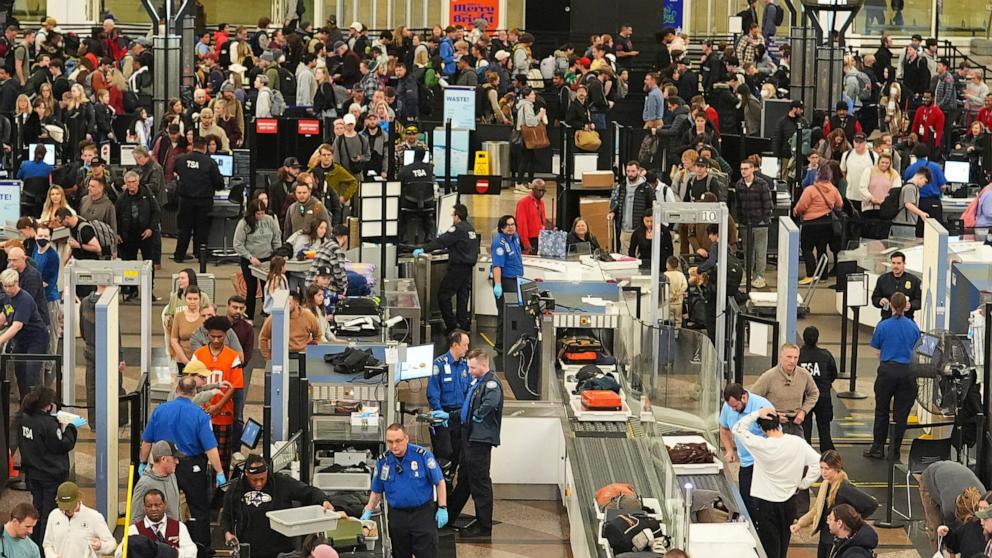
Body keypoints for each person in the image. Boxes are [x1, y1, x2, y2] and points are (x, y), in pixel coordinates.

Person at [139, 376, 226, 551]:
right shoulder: (200, 415)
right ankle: (201, 549)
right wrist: (220, 472)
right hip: (191, 467)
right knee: (199, 510)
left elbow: (147, 442)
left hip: (163, 465)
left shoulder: (160, 410)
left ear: (177, 390)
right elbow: (210, 448)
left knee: (161, 507)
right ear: (194, 393)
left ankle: (162, 547)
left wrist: (143, 463)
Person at [732, 406, 821, 558]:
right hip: (789, 501)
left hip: (766, 502)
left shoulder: (761, 445)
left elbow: (737, 429)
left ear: (761, 428)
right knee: (783, 541)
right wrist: (803, 484)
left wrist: (756, 414)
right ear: (778, 423)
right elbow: (817, 464)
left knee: (769, 546)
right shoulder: (797, 443)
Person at [221, 453, 336, 558]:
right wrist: (228, 534)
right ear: (246, 474)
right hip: (249, 551)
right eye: (254, 480)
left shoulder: (282, 483)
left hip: (280, 551)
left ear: (267, 472)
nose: (259, 483)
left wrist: (324, 500)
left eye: (262, 478)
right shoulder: (235, 489)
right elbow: (226, 518)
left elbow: (308, 492)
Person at [360, 424, 447, 558]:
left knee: (427, 553)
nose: (394, 446)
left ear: (406, 438)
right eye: (390, 442)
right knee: (400, 553)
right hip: (397, 516)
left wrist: (442, 507)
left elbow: (439, 482)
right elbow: (377, 490)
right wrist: (368, 510)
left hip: (422, 514)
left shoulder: (422, 456)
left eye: (398, 441)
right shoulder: (383, 461)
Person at [448, 349, 504, 538]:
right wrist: (449, 417)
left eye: (472, 367)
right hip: (469, 437)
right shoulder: (478, 383)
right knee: (465, 480)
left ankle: (484, 525)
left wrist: (477, 417)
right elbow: (467, 408)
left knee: (479, 483)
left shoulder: (490, 383)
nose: (470, 370)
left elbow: (490, 403)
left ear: (483, 365)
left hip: (479, 441)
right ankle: (448, 516)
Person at [17, 387, 81, 546]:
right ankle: (45, 548)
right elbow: (62, 444)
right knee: (49, 515)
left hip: (33, 473)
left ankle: (34, 545)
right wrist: (71, 427)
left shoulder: (24, 418)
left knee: (36, 511)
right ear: (47, 405)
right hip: (50, 476)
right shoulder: (48, 424)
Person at [791, 451, 878, 558]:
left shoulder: (845, 487)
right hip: (825, 536)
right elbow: (817, 509)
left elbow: (871, 504)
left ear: (836, 468)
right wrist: (800, 524)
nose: (823, 472)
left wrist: (853, 521)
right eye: (821, 468)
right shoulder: (825, 484)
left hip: (835, 539)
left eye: (827, 469)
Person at [865, 292, 920, 460]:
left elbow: (877, 348)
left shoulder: (883, 325)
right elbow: (917, 348)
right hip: (907, 372)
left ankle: (877, 448)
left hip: (887, 371)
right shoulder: (913, 326)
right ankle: (894, 451)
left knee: (881, 410)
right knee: (901, 414)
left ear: (892, 305)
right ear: (905, 306)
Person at [412, 204, 480, 333]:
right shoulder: (470, 229)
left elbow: (441, 242)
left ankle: (452, 325)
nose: (452, 217)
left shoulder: (457, 229)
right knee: (463, 296)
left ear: (457, 216)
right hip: (468, 269)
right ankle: (463, 324)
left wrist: (423, 249)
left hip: (457, 268)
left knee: (443, 295)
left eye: (453, 215)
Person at [191, 315, 243, 475]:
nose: (216, 340)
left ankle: (219, 495)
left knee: (221, 460)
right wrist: (206, 405)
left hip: (223, 414)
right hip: (200, 414)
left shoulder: (232, 356)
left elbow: (234, 386)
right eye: (212, 336)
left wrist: (218, 406)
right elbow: (191, 382)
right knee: (198, 459)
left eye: (219, 337)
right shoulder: (199, 355)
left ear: (225, 335)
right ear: (207, 335)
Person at [719, 383, 773, 519]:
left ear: (744, 398)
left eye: (736, 406)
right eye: (730, 407)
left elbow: (774, 434)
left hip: (762, 462)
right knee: (746, 499)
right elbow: (724, 428)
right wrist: (729, 450)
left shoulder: (762, 405)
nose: (733, 410)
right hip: (745, 462)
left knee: (760, 502)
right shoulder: (728, 407)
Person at [426, 330, 472, 477]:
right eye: (465, 345)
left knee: (458, 454)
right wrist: (440, 414)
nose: (467, 348)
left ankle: (450, 483)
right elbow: (433, 393)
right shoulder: (438, 365)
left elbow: (471, 390)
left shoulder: (466, 366)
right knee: (445, 452)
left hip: (460, 415)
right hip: (443, 414)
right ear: (455, 345)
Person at [750, 343, 820, 437]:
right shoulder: (769, 376)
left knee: (799, 450)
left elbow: (814, 393)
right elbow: (753, 398)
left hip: (796, 424)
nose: (792, 361)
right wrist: (772, 415)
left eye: (795, 357)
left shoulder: (804, 374)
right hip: (774, 425)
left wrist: (803, 411)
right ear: (781, 357)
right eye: (789, 357)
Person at [173, 135, 224, 262]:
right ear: (205, 147)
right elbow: (219, 183)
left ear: (193, 146)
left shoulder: (181, 159)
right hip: (204, 200)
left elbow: (175, 174)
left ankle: (179, 255)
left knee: (184, 229)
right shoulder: (210, 162)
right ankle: (200, 255)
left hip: (185, 200)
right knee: (202, 229)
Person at [0, 268, 50, 395]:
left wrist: (1, 340)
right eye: (5, 286)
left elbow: (16, 326)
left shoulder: (24, 299)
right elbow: (5, 315)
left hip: (36, 339)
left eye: (11, 286)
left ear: (17, 283)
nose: (8, 289)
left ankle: (35, 407)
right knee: (20, 373)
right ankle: (24, 405)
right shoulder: (7, 297)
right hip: (22, 340)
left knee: (31, 375)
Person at [233, 198, 282, 320]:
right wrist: (250, 257)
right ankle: (249, 316)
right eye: (258, 213)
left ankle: (267, 315)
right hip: (250, 260)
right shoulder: (244, 223)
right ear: (252, 213)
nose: (260, 216)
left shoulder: (270, 220)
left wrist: (277, 255)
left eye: (262, 213)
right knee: (251, 289)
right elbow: (237, 244)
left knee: (268, 287)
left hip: (267, 259)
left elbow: (276, 238)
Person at [793, 165, 843, 283]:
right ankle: (823, 275)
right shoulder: (833, 189)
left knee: (806, 248)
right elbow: (839, 204)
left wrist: (796, 211)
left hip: (811, 223)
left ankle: (811, 274)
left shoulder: (810, 190)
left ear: (817, 175)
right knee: (822, 249)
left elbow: (802, 206)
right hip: (827, 222)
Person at [42, 481, 116, 558]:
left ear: (78, 499)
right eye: (64, 506)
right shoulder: (54, 515)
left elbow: (112, 544)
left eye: (71, 505)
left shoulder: (94, 517)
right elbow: (47, 544)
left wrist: (101, 546)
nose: (68, 510)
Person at [115, 171, 160, 298]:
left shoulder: (147, 194)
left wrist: (151, 228)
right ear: (125, 184)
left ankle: (148, 290)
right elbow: (116, 217)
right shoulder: (122, 198)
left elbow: (156, 212)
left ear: (138, 182)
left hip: (146, 234)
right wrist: (117, 233)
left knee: (148, 263)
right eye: (129, 182)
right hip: (128, 236)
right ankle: (133, 289)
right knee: (131, 264)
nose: (131, 185)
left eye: (134, 182)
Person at [920, 461, 986, 541]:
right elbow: (949, 531)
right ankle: (936, 552)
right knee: (936, 527)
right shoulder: (949, 506)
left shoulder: (984, 497)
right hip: (930, 476)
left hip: (950, 473)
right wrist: (952, 551)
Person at [123, 489, 196, 558]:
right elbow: (120, 554)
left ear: (165, 504)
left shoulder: (179, 526)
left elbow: (192, 552)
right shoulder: (133, 529)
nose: (153, 509)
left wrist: (172, 552)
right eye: (149, 506)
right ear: (144, 507)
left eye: (157, 505)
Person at [734, 158, 773, 288]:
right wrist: (739, 221)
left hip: (760, 223)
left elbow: (768, 204)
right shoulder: (739, 185)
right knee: (747, 251)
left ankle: (760, 277)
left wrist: (764, 220)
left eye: (745, 169)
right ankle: (749, 275)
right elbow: (737, 205)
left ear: (752, 169)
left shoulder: (762, 184)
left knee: (760, 251)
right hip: (745, 223)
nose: (743, 171)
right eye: (741, 169)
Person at [798, 326, 838, 452]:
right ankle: (827, 456)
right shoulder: (825, 355)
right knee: (824, 428)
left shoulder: (798, 356)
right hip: (823, 396)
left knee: (805, 429)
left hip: (804, 397)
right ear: (817, 339)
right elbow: (833, 374)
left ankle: (806, 455)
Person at [491, 215, 524, 354]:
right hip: (505, 280)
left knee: (514, 312)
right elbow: (497, 266)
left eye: (513, 224)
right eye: (508, 225)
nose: (511, 227)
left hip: (516, 279)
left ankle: (511, 341)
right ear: (502, 227)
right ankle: (500, 345)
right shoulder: (499, 243)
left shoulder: (515, 237)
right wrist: (498, 285)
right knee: (505, 313)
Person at [609, 161, 655, 254]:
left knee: (639, 256)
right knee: (625, 256)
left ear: (638, 171)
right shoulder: (622, 186)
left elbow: (653, 206)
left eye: (633, 171)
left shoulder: (647, 188)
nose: (630, 174)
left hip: (639, 229)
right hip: (624, 228)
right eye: (628, 171)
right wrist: (613, 211)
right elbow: (618, 202)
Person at [259, 291, 323, 358]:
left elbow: (318, 335)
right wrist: (268, 358)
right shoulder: (274, 317)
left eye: (288, 303)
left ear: (297, 304)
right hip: (280, 354)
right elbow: (263, 338)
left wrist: (312, 352)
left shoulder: (309, 317)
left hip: (302, 354)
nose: (285, 305)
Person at [130, 441, 182, 523]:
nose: (177, 461)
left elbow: (176, 511)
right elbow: (136, 519)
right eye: (174, 458)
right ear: (163, 459)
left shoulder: (172, 476)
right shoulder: (145, 484)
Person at [936, 489, 992, 557]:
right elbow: (955, 543)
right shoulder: (970, 526)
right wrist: (947, 534)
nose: (981, 512)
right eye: (980, 508)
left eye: (985, 508)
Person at [870, 251, 922, 321]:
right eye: (893, 263)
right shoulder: (882, 279)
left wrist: (911, 305)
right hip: (887, 319)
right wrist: (879, 301)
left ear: (904, 263)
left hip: (907, 319)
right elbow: (874, 298)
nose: (895, 266)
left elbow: (919, 300)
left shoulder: (914, 280)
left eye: (898, 263)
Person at [514, 87, 548, 187]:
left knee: (531, 159)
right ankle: (520, 183)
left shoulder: (522, 105)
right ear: (526, 96)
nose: (534, 96)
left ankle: (529, 182)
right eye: (532, 94)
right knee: (526, 160)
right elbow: (530, 122)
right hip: (527, 136)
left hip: (523, 135)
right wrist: (540, 116)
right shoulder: (527, 106)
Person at [169, 285, 204, 370]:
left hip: (202, 361)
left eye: (195, 299)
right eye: (189, 299)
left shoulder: (205, 315)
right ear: (185, 299)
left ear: (200, 299)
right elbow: (174, 339)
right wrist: (186, 361)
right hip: (182, 360)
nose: (192, 302)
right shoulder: (179, 316)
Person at [514, 179, 548, 255]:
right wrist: (526, 243)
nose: (541, 193)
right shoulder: (523, 203)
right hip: (529, 240)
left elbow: (543, 221)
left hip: (540, 239)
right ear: (533, 189)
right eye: (539, 190)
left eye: (543, 191)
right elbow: (521, 225)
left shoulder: (541, 203)